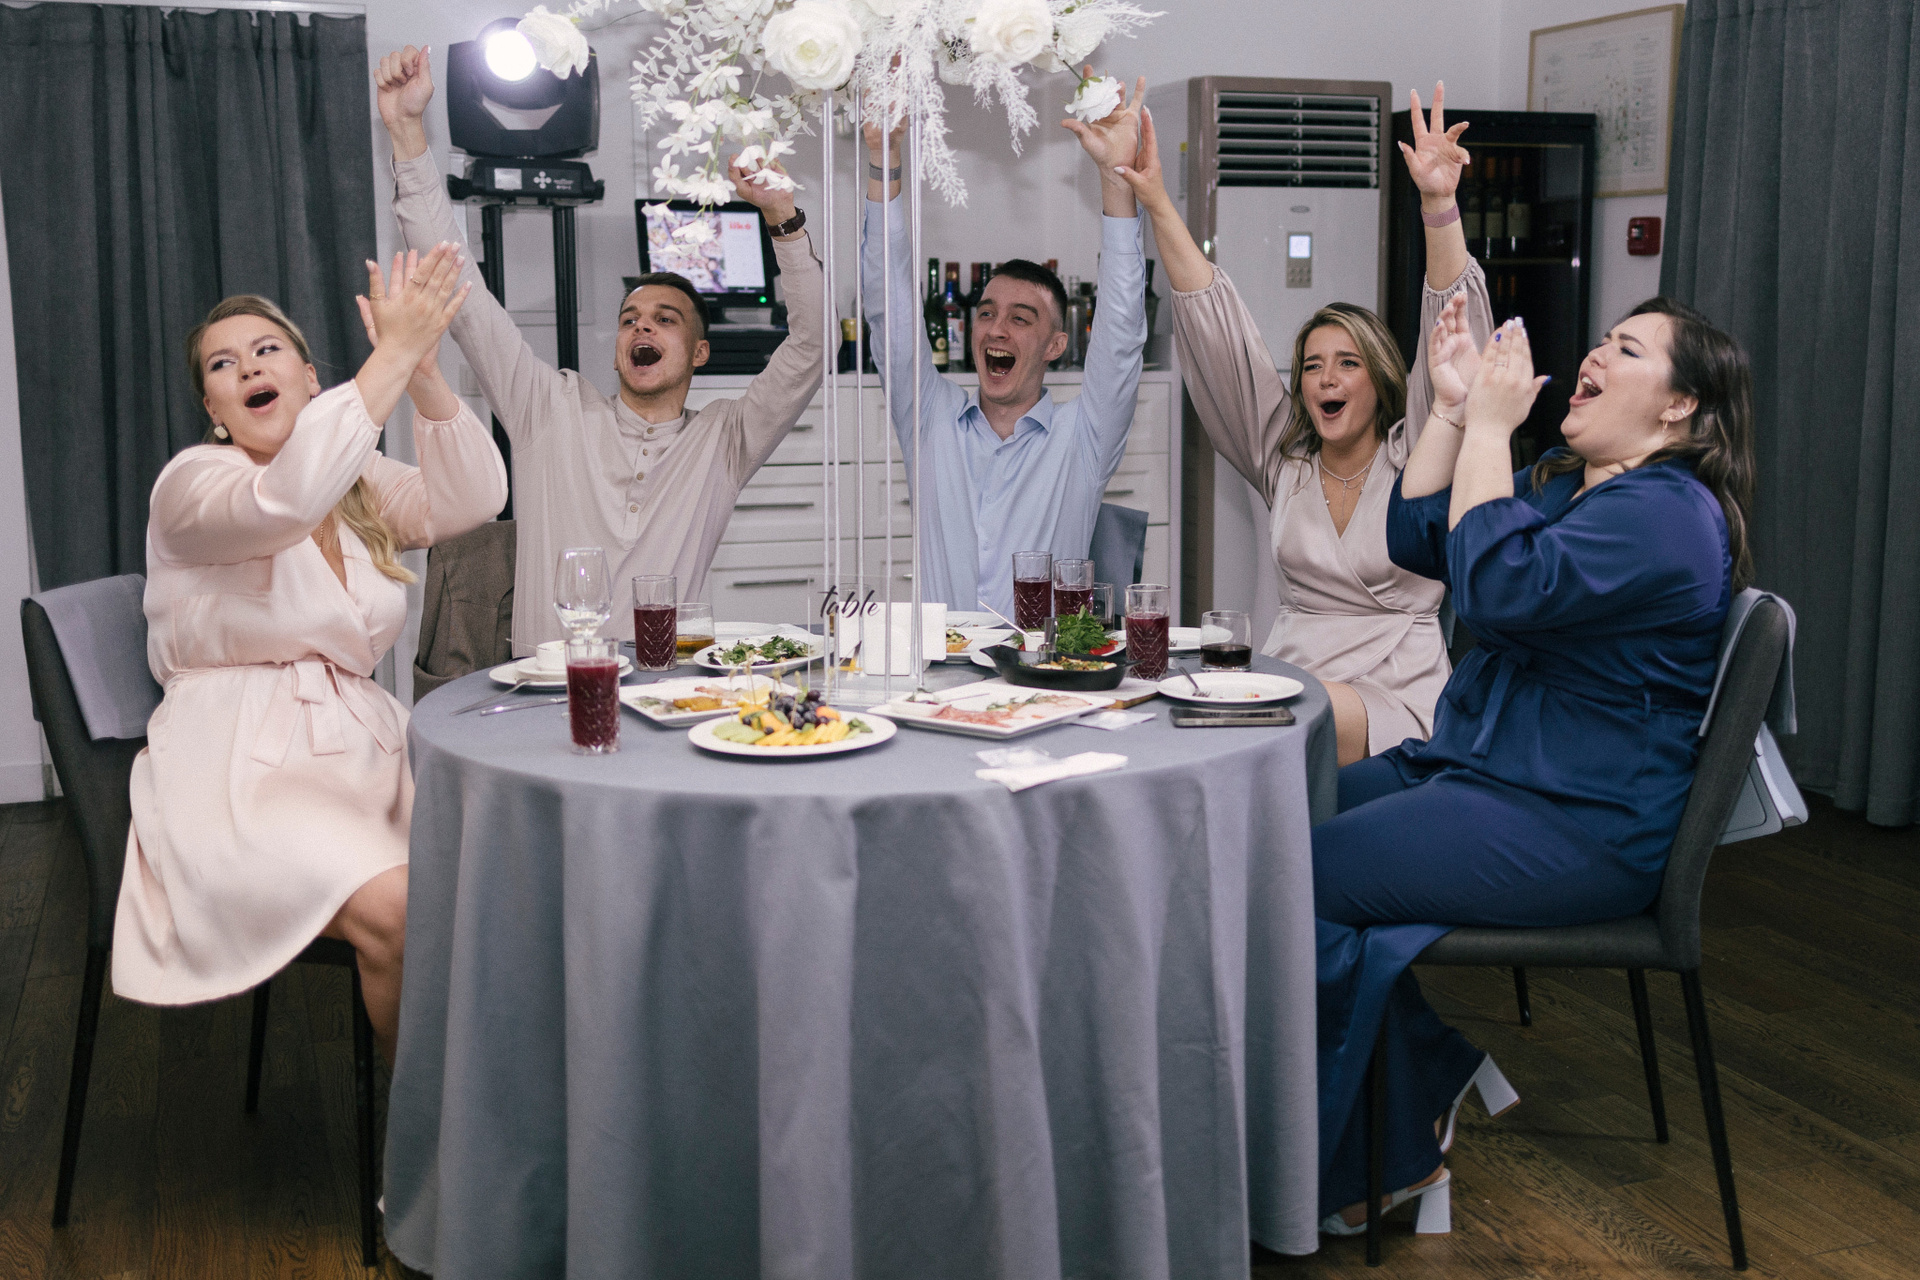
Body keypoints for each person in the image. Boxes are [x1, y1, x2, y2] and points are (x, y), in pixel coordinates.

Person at [1309, 297, 1756, 1232]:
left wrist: (1490, 428)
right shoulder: (1577, 485)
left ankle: (1394, 1136)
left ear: (1680, 405)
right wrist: (1452, 410)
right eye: (1601, 338)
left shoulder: (1667, 516)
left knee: (1294, 873)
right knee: (1267, 823)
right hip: (1484, 772)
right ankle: (1422, 1080)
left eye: (1626, 349)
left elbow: (1494, 586)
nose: (1594, 354)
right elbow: (1418, 537)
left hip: (1576, 819)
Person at [115, 246, 509, 1062]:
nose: (249, 368)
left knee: (499, 872)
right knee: (402, 908)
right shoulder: (193, 486)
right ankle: (426, 1132)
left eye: (267, 350)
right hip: (239, 773)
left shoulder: (355, 481)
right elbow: (285, 500)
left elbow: (474, 500)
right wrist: (391, 352)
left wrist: (422, 373)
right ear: (214, 407)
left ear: (309, 379)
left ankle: (498, 1091)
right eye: (224, 365)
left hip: (360, 758)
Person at [374, 44, 825, 654]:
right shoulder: (547, 408)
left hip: (668, 686)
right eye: (629, 320)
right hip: (547, 689)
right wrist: (406, 129)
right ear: (616, 351)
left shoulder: (724, 439)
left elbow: (812, 344)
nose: (642, 329)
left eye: (665, 320)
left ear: (699, 353)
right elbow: (460, 288)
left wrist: (782, 216)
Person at [1120, 84, 1491, 767]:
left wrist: (1439, 205)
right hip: (1288, 680)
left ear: (1381, 381)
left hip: (1393, 690)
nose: (1325, 379)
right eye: (1312, 365)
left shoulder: (1419, 451)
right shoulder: (1284, 459)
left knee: (1273, 719)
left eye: (1348, 363)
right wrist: (1156, 201)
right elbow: (1215, 328)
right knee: (1183, 710)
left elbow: (1454, 330)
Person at [859, 73, 1149, 616]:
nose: (997, 329)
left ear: (1055, 345)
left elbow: (1121, 334)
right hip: (942, 662)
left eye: (1021, 319)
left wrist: (1116, 178)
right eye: (987, 313)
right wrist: (884, 159)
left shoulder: (1082, 438)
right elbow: (887, 307)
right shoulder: (929, 419)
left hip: (1047, 662)